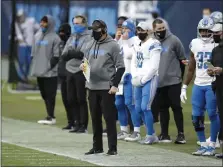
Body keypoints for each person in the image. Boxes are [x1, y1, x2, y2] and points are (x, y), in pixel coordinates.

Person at [81, 19, 125, 155]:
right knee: (95, 118)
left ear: (104, 31)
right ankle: (97, 147)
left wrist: (115, 85)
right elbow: (85, 61)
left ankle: (112, 148)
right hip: (92, 86)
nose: (94, 33)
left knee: (109, 118)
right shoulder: (89, 43)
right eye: (92, 30)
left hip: (106, 87)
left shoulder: (113, 45)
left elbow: (121, 67)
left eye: (96, 31)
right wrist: (82, 66)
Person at [181, 17, 220, 156]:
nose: (204, 33)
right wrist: (184, 86)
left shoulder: (217, 44)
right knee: (196, 116)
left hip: (212, 84)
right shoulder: (194, 43)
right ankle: (203, 144)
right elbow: (191, 67)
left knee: (213, 114)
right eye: (202, 30)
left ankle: (212, 145)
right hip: (198, 84)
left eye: (207, 31)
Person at [153, 19, 186, 144]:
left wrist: (179, 77)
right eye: (159, 29)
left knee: (176, 107)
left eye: (163, 28)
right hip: (159, 82)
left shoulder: (174, 40)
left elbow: (182, 59)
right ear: (154, 30)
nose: (161, 30)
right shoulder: (152, 42)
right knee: (162, 108)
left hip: (173, 81)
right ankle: (164, 134)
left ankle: (181, 134)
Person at [131, 21, 161, 144]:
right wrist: (134, 76)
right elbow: (134, 62)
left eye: (142, 30)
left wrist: (144, 79)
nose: (139, 32)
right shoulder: (137, 44)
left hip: (150, 78)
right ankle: (152, 133)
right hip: (138, 78)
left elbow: (154, 66)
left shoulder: (154, 44)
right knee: (138, 108)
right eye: (138, 30)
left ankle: (150, 135)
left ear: (148, 31)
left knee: (145, 107)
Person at [61, 15, 91, 133]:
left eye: (78, 23)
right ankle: (76, 123)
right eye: (74, 23)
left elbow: (83, 53)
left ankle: (83, 125)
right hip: (70, 69)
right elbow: (65, 54)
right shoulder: (73, 36)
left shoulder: (89, 36)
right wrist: (73, 53)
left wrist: (73, 53)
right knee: (71, 98)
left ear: (84, 23)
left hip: (81, 69)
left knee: (81, 98)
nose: (76, 26)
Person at [30, 15, 61, 124]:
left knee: (50, 94)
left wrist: (48, 67)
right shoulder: (36, 35)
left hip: (50, 73)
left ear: (50, 23)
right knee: (44, 94)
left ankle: (51, 116)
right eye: (41, 22)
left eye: (45, 22)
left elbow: (56, 56)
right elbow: (33, 54)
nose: (42, 24)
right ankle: (49, 115)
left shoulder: (55, 38)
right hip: (39, 72)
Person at [115, 19, 142, 142]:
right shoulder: (120, 41)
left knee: (130, 104)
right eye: (123, 28)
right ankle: (124, 129)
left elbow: (135, 55)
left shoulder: (136, 41)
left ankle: (136, 131)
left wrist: (125, 41)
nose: (124, 31)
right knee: (119, 104)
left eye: (127, 29)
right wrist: (116, 40)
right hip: (119, 76)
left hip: (130, 75)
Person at [207, 22, 223, 159]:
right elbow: (213, 66)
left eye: (217, 33)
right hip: (219, 86)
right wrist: (211, 71)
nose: (214, 36)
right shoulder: (215, 50)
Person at [15, 9, 40, 82]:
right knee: (21, 62)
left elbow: (38, 29)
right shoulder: (17, 24)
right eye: (19, 17)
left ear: (24, 15)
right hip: (22, 46)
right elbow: (18, 34)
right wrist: (19, 39)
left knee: (29, 62)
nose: (20, 18)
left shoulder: (31, 21)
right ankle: (20, 77)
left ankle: (25, 76)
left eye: (21, 16)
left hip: (30, 45)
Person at [57, 23, 72, 130]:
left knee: (72, 99)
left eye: (63, 32)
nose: (61, 34)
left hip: (71, 74)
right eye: (60, 32)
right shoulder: (61, 43)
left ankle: (78, 121)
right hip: (62, 74)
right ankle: (70, 121)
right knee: (65, 100)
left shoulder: (71, 42)